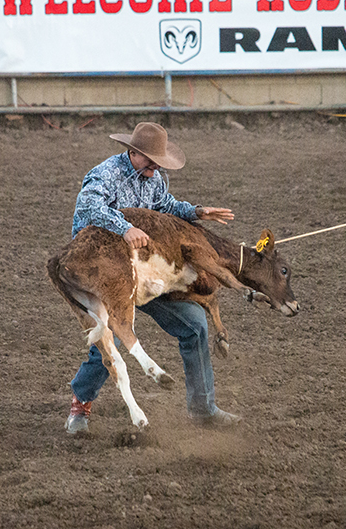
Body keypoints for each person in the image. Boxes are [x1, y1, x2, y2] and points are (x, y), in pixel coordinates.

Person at [65, 122, 241, 434]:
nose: (156, 165)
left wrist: (196, 212)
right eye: (150, 159)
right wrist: (124, 227)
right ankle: (81, 404)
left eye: (158, 160)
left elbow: (165, 207)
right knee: (111, 335)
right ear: (132, 153)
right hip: (102, 269)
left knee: (195, 324)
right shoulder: (106, 173)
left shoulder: (154, 179)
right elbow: (90, 205)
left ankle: (203, 408)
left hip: (146, 270)